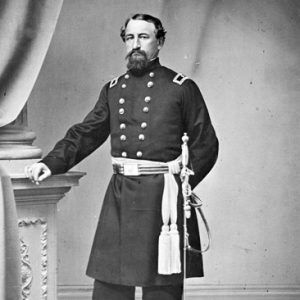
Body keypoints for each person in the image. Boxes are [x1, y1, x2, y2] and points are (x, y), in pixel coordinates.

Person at [25, 13, 219, 300]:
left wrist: (181, 188)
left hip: (162, 201)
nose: (135, 44)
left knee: (161, 288)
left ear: (160, 42)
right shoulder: (114, 89)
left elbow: (206, 144)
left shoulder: (181, 88)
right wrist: (49, 163)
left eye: (144, 37)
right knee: (109, 285)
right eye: (129, 37)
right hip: (120, 197)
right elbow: (86, 133)